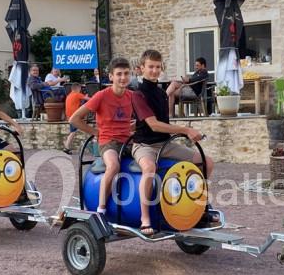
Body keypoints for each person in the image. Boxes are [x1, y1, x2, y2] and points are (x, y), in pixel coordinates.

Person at [130, 49, 210, 235]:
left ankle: (200, 206)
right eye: (150, 67)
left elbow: (164, 120)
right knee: (149, 168)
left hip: (165, 144)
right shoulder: (138, 94)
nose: (154, 70)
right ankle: (144, 218)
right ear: (142, 68)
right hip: (144, 145)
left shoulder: (161, 93)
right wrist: (185, 130)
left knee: (207, 162)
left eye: (158, 67)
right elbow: (154, 125)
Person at [69, 57, 136, 214]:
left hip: (128, 140)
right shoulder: (102, 95)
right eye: (119, 74)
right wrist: (96, 132)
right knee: (113, 166)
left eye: (126, 73)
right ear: (111, 76)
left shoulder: (132, 96)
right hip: (108, 142)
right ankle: (101, 209)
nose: (123, 77)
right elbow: (74, 119)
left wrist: (132, 127)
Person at [62, 83, 86, 154]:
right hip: (74, 116)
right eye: (80, 89)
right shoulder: (77, 94)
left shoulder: (69, 95)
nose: (81, 90)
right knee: (73, 132)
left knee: (73, 131)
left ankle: (66, 146)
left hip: (69, 116)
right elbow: (90, 99)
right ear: (78, 89)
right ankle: (66, 148)